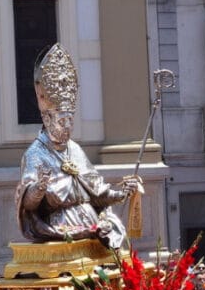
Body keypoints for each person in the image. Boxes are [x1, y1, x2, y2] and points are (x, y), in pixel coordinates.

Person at [16, 44, 139, 248]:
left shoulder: (74, 149)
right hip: (62, 227)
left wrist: (122, 194)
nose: (68, 127)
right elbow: (28, 204)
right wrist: (40, 187)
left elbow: (96, 191)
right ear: (47, 119)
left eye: (70, 121)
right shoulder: (35, 153)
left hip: (92, 225)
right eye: (62, 121)